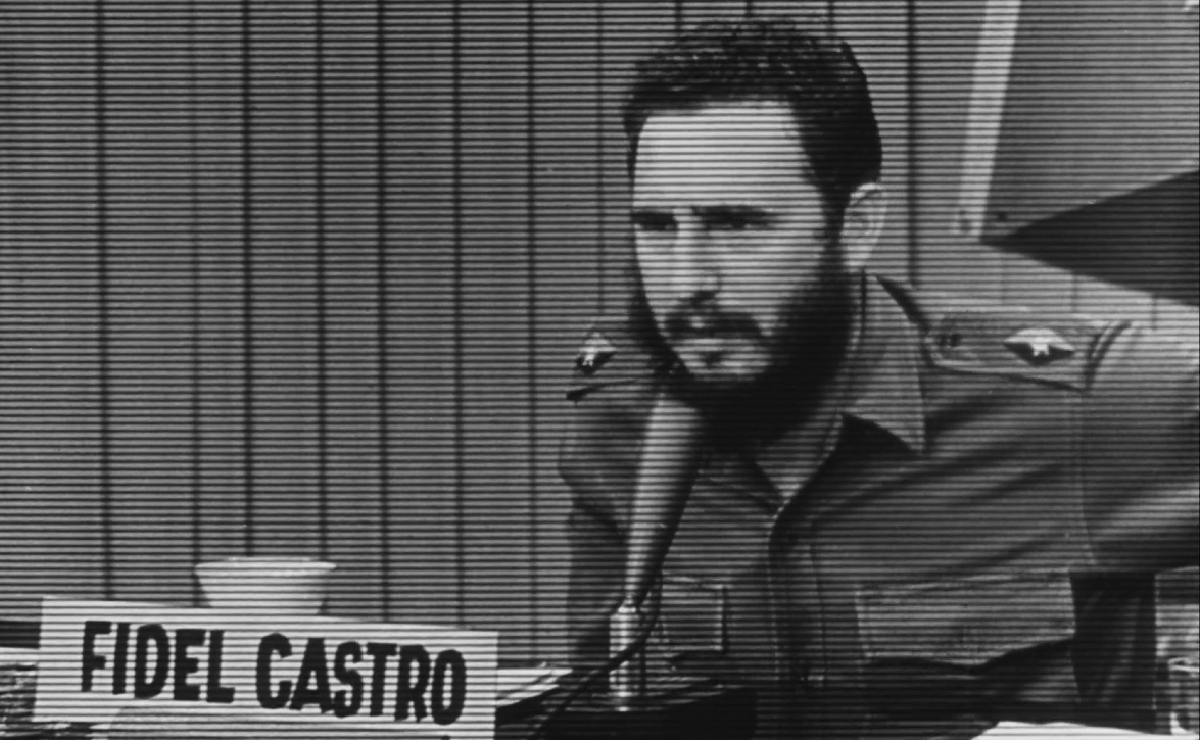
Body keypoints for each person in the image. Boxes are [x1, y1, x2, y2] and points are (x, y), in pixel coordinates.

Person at [558, 15, 1199, 740]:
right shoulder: (621, 423)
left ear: (855, 228)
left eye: (737, 225)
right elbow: (598, 704)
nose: (685, 281)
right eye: (655, 226)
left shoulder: (1083, 407)